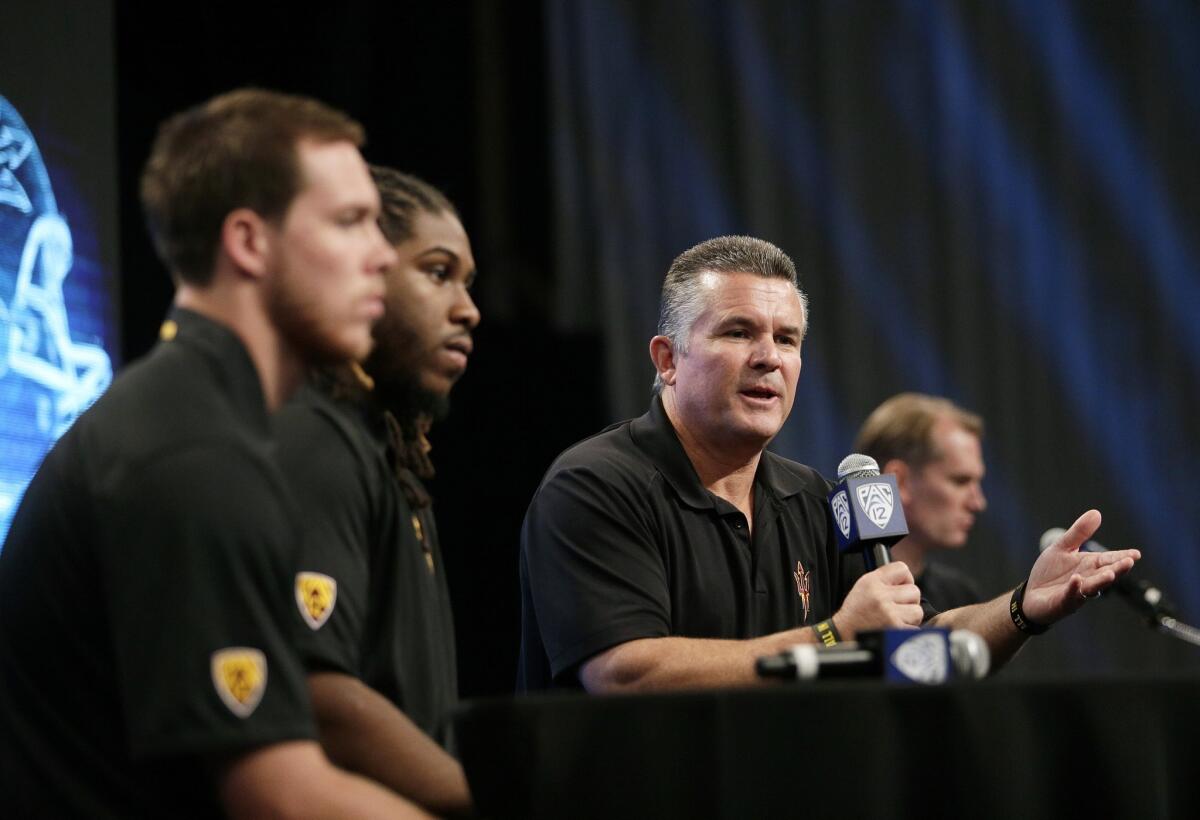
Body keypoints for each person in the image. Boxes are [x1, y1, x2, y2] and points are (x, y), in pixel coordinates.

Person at [0, 89, 431, 817]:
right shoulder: (191, 449)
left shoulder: (195, 419)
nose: (383, 257)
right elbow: (281, 796)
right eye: (351, 222)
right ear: (249, 242)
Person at [518, 235, 1139, 693]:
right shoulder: (595, 485)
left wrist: (1021, 608)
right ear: (667, 359)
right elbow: (625, 674)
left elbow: (911, 651)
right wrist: (831, 636)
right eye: (738, 332)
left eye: (787, 339)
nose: (769, 357)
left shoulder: (815, 497)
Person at [275, 167, 480, 815]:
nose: (468, 309)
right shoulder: (312, 436)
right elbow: (318, 695)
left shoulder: (387, 448)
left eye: (468, 283)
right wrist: (495, 797)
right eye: (437, 272)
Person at [854, 393, 987, 611]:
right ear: (900, 480)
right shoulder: (827, 586)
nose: (978, 503)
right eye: (960, 481)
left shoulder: (960, 598)